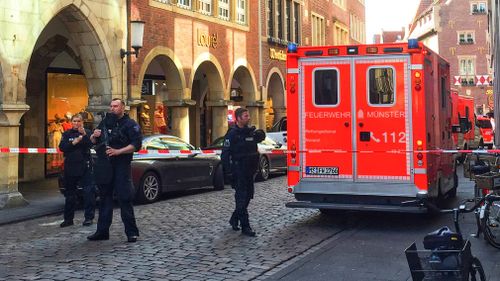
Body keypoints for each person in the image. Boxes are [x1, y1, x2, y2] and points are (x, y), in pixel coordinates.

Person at [88, 98, 143, 243]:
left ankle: (131, 233)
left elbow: (136, 144)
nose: (112, 108)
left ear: (123, 108)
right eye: (111, 106)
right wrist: (94, 136)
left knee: (125, 198)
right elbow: (92, 141)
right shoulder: (105, 122)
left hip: (122, 165)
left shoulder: (130, 124)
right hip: (105, 165)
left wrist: (118, 151)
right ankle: (102, 231)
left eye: (115, 106)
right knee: (105, 198)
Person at [221, 108, 265, 237]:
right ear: (238, 118)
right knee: (241, 198)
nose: (248, 118)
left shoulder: (250, 133)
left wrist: (259, 133)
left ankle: (234, 218)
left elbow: (260, 137)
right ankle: (246, 227)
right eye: (246, 116)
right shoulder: (232, 134)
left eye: (248, 115)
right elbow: (225, 153)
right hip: (238, 170)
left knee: (248, 197)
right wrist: (228, 172)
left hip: (250, 171)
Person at [58, 114, 96, 227]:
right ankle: (68, 219)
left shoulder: (87, 132)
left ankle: (89, 218)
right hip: (70, 167)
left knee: (88, 192)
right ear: (71, 122)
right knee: (70, 194)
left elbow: (90, 144)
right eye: (74, 121)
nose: (76, 123)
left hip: (85, 166)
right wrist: (73, 143)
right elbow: (62, 147)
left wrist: (83, 135)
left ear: (82, 122)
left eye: (78, 121)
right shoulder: (67, 134)